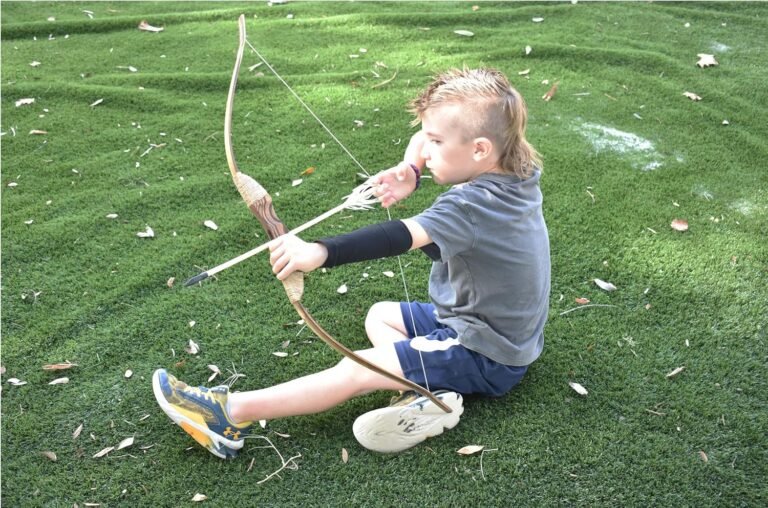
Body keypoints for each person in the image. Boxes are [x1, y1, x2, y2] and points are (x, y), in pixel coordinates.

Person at [153, 67, 550, 458]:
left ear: (479, 149)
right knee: (380, 316)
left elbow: (398, 236)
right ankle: (427, 392)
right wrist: (411, 170)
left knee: (357, 368)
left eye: (436, 142)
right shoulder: (517, 165)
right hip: (486, 324)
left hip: (486, 350)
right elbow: (420, 138)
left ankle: (227, 415)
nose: (426, 148)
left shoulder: (472, 206)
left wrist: (319, 252)